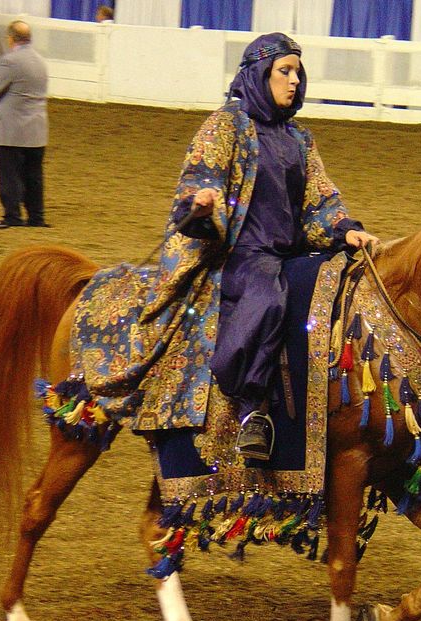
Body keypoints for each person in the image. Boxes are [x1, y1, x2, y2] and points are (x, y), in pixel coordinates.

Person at [151, 32, 378, 460]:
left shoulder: (299, 139)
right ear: (259, 75)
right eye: (284, 71)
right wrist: (201, 201)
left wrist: (343, 228)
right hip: (244, 254)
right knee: (268, 302)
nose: (294, 81)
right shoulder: (226, 125)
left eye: (297, 72)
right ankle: (252, 410)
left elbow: (320, 197)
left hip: (289, 254)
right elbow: (202, 175)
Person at [0, 20, 49, 229]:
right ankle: (36, 217)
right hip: (36, 128)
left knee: (9, 174)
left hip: (11, 129)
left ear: (11, 38)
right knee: (34, 176)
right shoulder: (40, 61)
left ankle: (12, 216)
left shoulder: (9, 61)